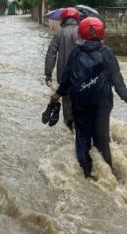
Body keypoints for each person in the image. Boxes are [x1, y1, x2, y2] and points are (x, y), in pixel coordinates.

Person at [52, 17, 127, 179]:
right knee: (102, 141)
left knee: (82, 140)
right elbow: (118, 81)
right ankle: (108, 176)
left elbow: (66, 78)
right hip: (102, 106)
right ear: (101, 33)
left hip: (81, 106)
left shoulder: (75, 53)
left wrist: (57, 94)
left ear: (82, 34)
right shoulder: (107, 53)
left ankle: (86, 175)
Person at [45, 7, 82, 130]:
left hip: (64, 76)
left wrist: (48, 73)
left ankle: (69, 126)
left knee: (67, 103)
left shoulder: (59, 34)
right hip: (82, 75)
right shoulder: (83, 32)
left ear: (63, 19)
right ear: (76, 18)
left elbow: (51, 53)